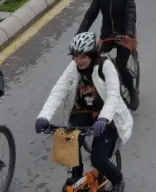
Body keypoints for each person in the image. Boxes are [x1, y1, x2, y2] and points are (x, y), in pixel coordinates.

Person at [36, 32, 132, 192]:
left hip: (108, 117)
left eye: (83, 57)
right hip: (83, 111)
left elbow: (113, 95)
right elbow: (59, 90)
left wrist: (104, 118)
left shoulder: (106, 67)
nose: (78, 61)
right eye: (75, 56)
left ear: (93, 55)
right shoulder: (73, 67)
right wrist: (43, 116)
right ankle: (77, 177)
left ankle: (118, 179)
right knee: (69, 144)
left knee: (98, 159)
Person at [76, 0, 139, 109]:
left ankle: (132, 91)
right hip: (107, 35)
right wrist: (80, 33)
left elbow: (131, 13)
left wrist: (129, 32)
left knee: (121, 65)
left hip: (125, 36)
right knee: (94, 62)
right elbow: (90, 15)